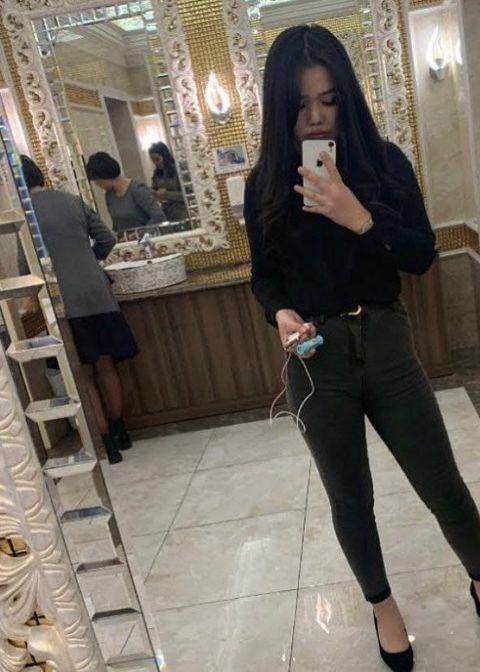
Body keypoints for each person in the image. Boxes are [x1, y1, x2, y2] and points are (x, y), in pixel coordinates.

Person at [244, 25, 480, 672]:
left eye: (328, 99)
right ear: (279, 109)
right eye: (300, 105)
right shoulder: (265, 182)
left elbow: (422, 255)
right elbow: (264, 277)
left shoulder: (384, 162)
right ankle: (383, 608)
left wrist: (358, 216)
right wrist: (279, 313)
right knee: (350, 499)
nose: (316, 117)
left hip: (385, 343)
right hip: (314, 357)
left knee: (441, 481)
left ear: (346, 95)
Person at [21, 155, 138, 465]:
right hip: (97, 292)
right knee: (106, 365)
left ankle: (107, 445)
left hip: (64, 299)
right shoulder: (71, 200)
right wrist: (89, 259)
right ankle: (121, 431)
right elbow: (107, 238)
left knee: (83, 374)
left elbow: (25, 265)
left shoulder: (24, 215)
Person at [85, 152, 165, 232]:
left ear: (104, 177)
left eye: (97, 181)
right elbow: (116, 225)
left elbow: (159, 217)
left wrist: (140, 233)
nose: (98, 185)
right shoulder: (109, 196)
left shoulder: (137, 190)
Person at [148, 141, 188, 222]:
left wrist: (167, 194)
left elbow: (188, 195)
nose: (155, 163)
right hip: (167, 213)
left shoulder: (179, 169)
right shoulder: (157, 173)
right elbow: (154, 189)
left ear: (164, 156)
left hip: (182, 212)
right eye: (153, 160)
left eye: (157, 159)